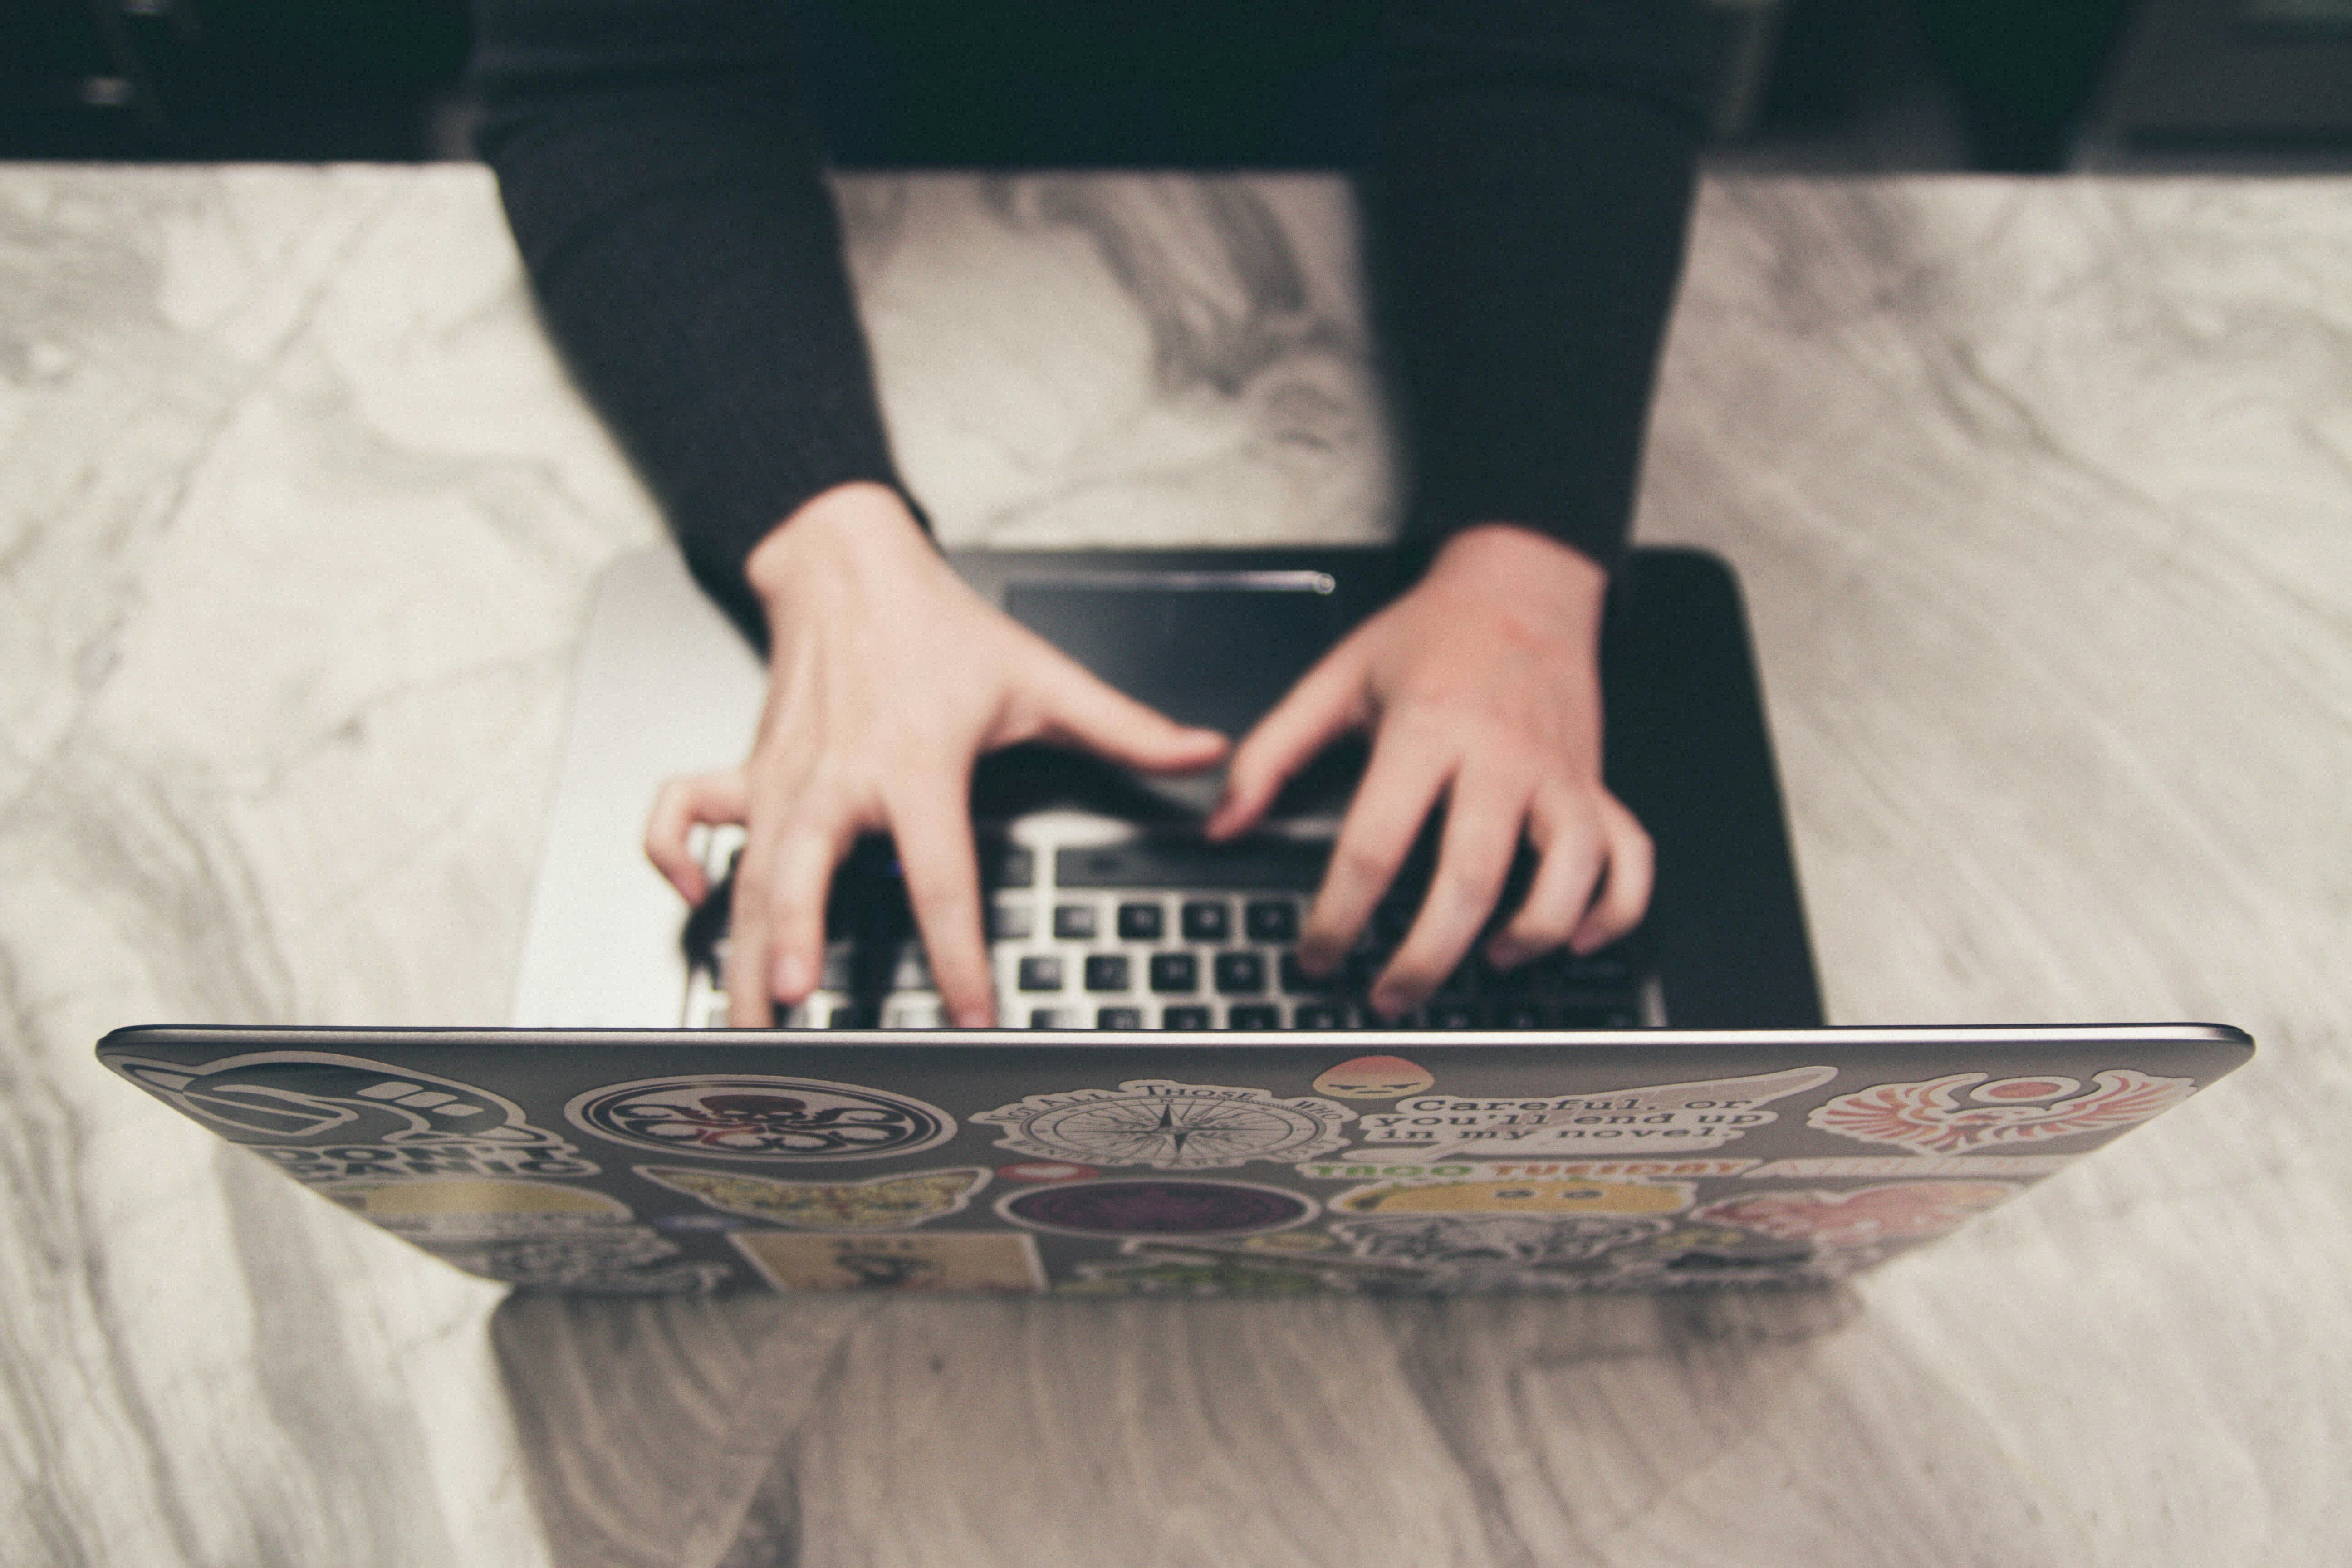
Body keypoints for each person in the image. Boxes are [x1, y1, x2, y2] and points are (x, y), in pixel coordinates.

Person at [472, 0, 1710, 1029]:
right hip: (828, 129)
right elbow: (618, 70)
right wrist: (825, 547)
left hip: (1387, 120)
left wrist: (1527, 562)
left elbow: (1567, 42)